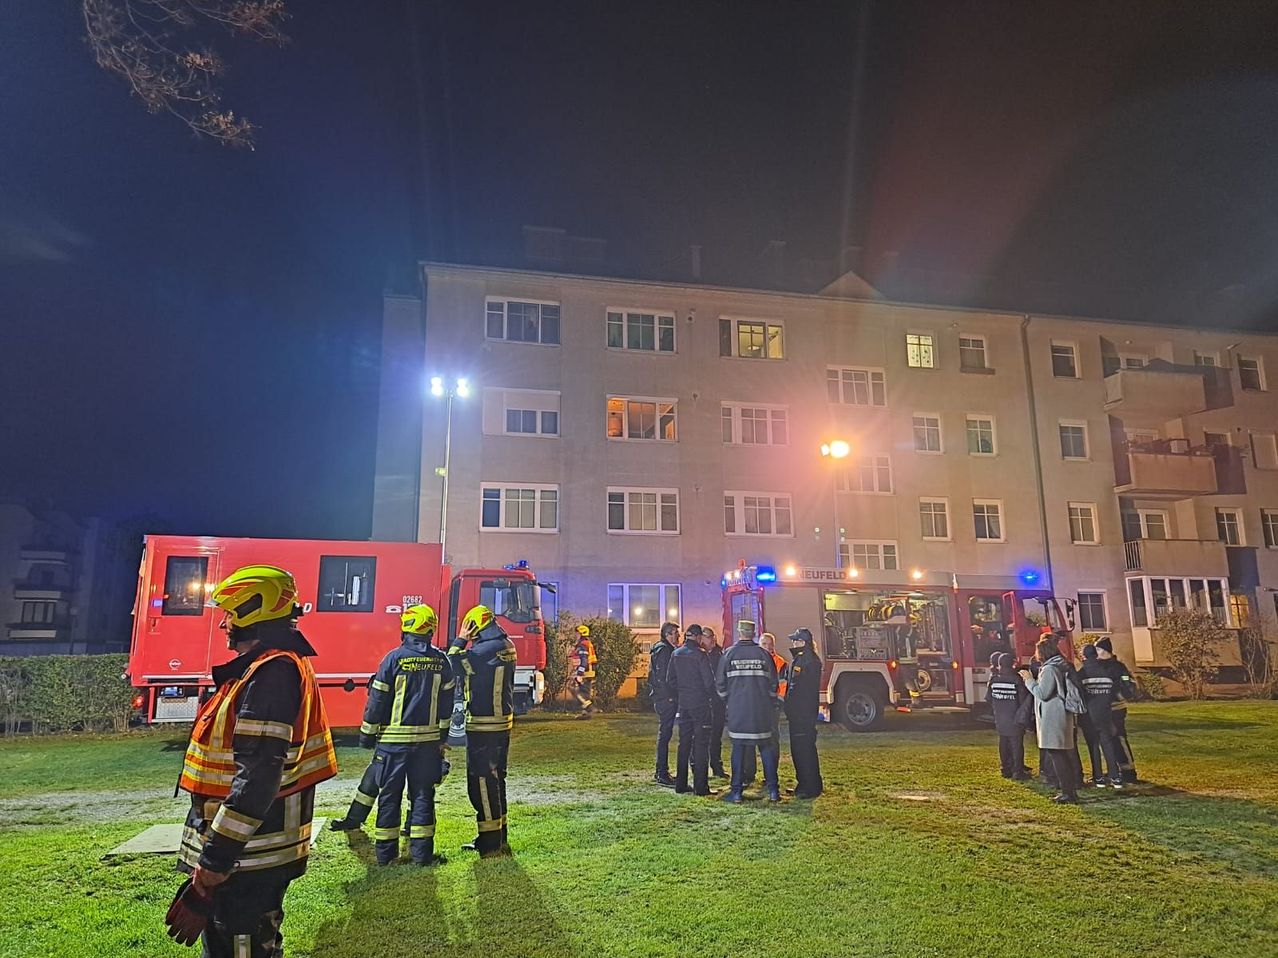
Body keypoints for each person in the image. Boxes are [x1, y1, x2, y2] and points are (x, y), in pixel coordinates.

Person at [168, 565, 338, 956]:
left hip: (250, 857)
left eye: (230, 613)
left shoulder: (271, 673)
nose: (225, 623)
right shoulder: (264, 669)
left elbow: (258, 777)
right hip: (249, 852)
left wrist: (214, 863)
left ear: (253, 611)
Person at [352, 605, 454, 865]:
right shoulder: (442, 661)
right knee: (422, 796)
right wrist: (442, 737)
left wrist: (367, 735)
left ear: (406, 628)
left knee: (389, 797)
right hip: (427, 745)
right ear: (430, 628)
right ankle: (421, 855)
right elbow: (446, 704)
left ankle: (386, 857)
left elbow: (377, 701)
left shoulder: (393, 659)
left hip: (392, 745)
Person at [448, 604, 517, 857]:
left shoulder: (482, 650)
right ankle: (499, 835)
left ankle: (489, 843)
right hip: (501, 723)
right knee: (497, 779)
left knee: (482, 782)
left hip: (483, 725)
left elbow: (451, 664)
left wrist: (460, 639)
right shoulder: (506, 644)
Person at [717, 619, 781, 803]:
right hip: (761, 712)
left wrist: (729, 700)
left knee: (738, 749)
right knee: (766, 748)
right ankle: (773, 791)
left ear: (739, 632)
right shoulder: (764, 655)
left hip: (738, 712)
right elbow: (773, 685)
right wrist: (767, 701)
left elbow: (720, 686)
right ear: (753, 634)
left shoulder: (729, 655)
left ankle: (736, 792)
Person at [1020, 637, 1078, 803]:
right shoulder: (1061, 665)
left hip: (1053, 716)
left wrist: (1028, 679)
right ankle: (1070, 791)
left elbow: (1043, 693)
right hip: (1060, 715)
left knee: (1057, 754)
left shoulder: (1050, 669)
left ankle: (1067, 792)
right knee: (1061, 754)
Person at [668, 624, 715, 796]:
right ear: (698, 637)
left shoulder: (676, 654)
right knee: (701, 745)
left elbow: (670, 679)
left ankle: (680, 784)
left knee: (684, 744)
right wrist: (709, 696)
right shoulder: (700, 655)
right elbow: (709, 682)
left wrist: (681, 693)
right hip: (700, 705)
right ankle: (701, 787)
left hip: (684, 704)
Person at [1078, 644, 1125, 789]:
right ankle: (1115, 776)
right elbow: (1113, 691)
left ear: (1083, 656)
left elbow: (1079, 693)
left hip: (1089, 716)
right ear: (1096, 655)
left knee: (1093, 745)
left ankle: (1098, 777)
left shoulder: (1082, 673)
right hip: (1106, 714)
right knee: (1108, 743)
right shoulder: (1106, 672)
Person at [784, 627, 823, 798]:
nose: (793, 643)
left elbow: (798, 689)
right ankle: (807, 785)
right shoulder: (807, 659)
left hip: (801, 713)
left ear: (803, 642)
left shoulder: (805, 661)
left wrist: (788, 705)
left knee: (803, 750)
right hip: (803, 712)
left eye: (796, 640)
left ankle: (809, 787)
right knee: (803, 748)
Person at [1096, 637, 1139, 783]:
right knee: (1109, 740)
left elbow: (1126, 684)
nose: (1097, 653)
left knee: (1119, 738)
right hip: (1107, 709)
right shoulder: (1109, 665)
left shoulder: (1116, 667)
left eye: (1098, 649)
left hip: (1116, 708)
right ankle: (1115, 769)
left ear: (1104, 650)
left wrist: (1117, 694)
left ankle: (1128, 770)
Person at [988, 652, 1031, 780]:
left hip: (1000, 717)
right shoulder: (1017, 680)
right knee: (1016, 744)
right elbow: (1023, 699)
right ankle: (1017, 771)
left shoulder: (994, 680)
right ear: (1012, 664)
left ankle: (1005, 769)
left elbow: (988, 698)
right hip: (1015, 717)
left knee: (1003, 742)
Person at [648, 622, 681, 787]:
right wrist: (668, 696)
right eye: (676, 633)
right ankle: (662, 772)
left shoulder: (660, 648)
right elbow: (663, 676)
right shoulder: (665, 650)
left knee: (665, 734)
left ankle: (660, 771)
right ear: (669, 633)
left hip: (661, 697)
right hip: (665, 699)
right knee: (665, 734)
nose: (678, 636)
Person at [704, 626, 728, 778]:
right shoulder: (700, 654)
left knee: (716, 736)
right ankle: (700, 766)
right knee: (702, 736)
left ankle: (716, 765)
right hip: (704, 701)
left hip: (717, 701)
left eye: (706, 636)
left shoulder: (720, 654)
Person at [571, 624, 598, 719]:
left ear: (582, 633)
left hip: (585, 672)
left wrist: (579, 674)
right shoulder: (586, 643)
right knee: (585, 692)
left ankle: (589, 707)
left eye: (577, 633)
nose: (575, 635)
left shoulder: (583, 644)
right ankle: (585, 714)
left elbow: (584, 660)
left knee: (574, 689)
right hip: (588, 671)